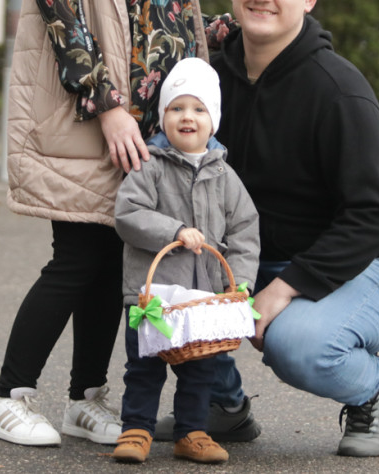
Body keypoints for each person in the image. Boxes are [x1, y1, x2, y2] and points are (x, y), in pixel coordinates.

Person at [0, 0, 210, 449]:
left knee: (113, 262)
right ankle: (7, 397)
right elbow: (65, 23)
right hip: (92, 119)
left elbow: (169, 20)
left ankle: (86, 399)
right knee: (77, 259)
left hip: (148, 130)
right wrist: (109, 107)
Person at [155, 0, 379, 458]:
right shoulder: (208, 84)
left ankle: (373, 387)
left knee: (297, 344)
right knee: (163, 289)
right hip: (260, 256)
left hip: (374, 264)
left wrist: (284, 289)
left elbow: (371, 217)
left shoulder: (339, 92)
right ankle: (221, 404)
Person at [110, 57, 260, 464]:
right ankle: (136, 429)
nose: (187, 117)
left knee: (200, 371)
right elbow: (128, 214)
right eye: (176, 108)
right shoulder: (150, 166)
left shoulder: (225, 176)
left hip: (202, 299)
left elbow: (245, 230)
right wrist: (174, 230)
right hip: (152, 295)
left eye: (198, 109)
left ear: (213, 122)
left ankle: (192, 432)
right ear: (163, 117)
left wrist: (239, 281)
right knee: (144, 367)